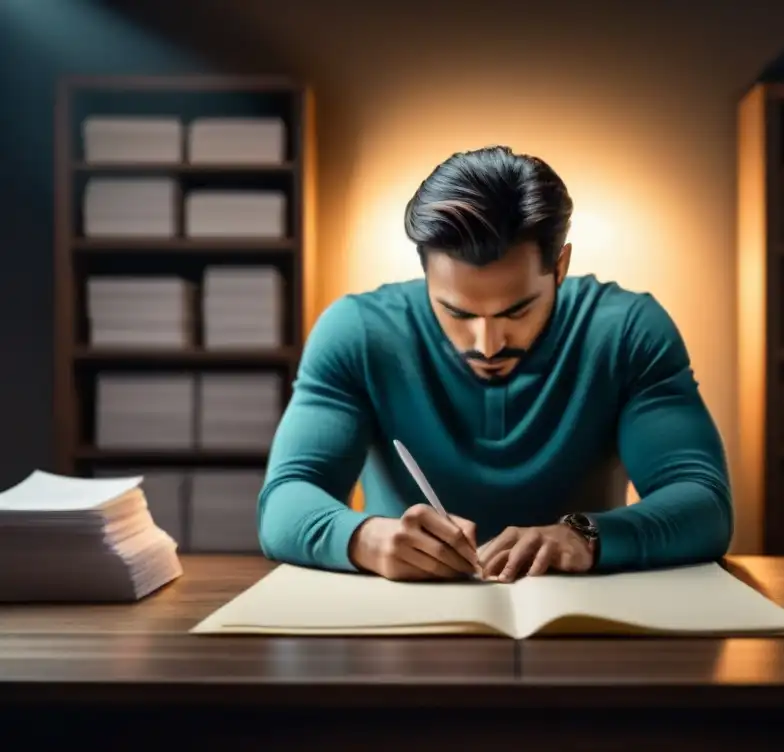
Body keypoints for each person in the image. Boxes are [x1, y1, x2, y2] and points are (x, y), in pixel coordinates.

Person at [257, 145, 733, 584]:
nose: (487, 344)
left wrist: (585, 535)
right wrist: (364, 539)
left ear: (560, 266)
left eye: (517, 310)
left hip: (581, 626)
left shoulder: (630, 330)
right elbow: (284, 501)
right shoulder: (356, 331)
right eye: (458, 312)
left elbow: (704, 503)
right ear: (425, 271)